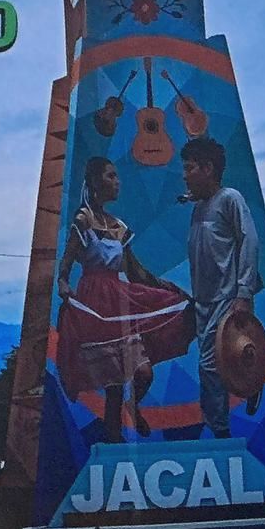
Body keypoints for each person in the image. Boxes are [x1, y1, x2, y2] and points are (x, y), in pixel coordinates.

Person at [55, 156, 189, 442]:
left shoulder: (118, 225)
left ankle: (134, 405)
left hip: (119, 299)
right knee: (113, 384)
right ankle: (113, 442)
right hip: (95, 304)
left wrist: (163, 285)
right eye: (111, 176)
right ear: (95, 182)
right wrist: (64, 285)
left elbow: (135, 270)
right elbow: (65, 266)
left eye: (116, 176)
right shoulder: (83, 220)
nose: (117, 182)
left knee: (143, 373)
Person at [180, 135, 262, 439]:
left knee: (210, 365)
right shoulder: (199, 207)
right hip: (203, 300)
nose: (185, 175)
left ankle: (220, 431)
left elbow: (249, 240)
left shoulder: (230, 199)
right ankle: (251, 381)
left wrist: (244, 291)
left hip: (227, 297)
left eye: (190, 168)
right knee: (223, 361)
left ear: (208, 168)